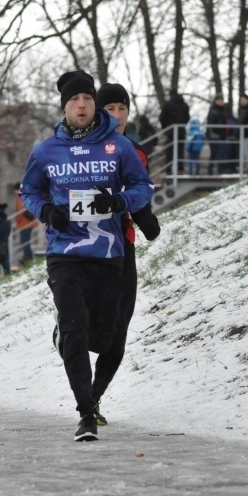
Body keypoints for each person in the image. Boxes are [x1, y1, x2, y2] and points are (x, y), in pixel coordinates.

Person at [21, 70, 153, 441]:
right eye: (75, 100)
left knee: (106, 337)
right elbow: (28, 191)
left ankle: (69, 337)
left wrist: (120, 200)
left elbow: (143, 186)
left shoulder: (118, 146)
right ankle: (85, 413)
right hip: (64, 252)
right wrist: (47, 212)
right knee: (76, 330)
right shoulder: (46, 150)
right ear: (64, 106)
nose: (82, 105)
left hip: (109, 252)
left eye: (88, 99)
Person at [93, 81, 160, 427]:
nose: (117, 116)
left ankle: (93, 397)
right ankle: (67, 334)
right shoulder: (80, 148)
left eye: (122, 109)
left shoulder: (136, 151)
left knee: (119, 329)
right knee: (91, 327)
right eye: (110, 110)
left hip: (123, 247)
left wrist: (146, 219)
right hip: (85, 249)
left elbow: (139, 192)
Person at [158, 88, 190, 175]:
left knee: (170, 151)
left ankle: (168, 169)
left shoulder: (168, 104)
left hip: (171, 131)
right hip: (181, 130)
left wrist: (165, 128)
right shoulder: (184, 104)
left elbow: (162, 118)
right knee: (180, 150)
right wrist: (182, 125)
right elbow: (187, 118)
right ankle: (180, 168)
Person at [13, 182, 38, 266]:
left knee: (24, 242)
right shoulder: (26, 195)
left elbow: (21, 210)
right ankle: (27, 258)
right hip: (28, 223)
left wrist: (17, 220)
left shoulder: (20, 197)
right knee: (26, 242)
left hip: (24, 224)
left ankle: (28, 259)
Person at [205, 94, 229, 175]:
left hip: (219, 135)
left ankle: (211, 170)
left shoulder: (222, 110)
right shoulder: (214, 110)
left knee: (215, 153)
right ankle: (219, 170)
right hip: (215, 135)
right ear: (216, 101)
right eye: (219, 100)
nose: (221, 102)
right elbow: (214, 124)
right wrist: (220, 130)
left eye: (222, 100)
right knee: (218, 153)